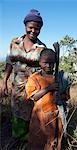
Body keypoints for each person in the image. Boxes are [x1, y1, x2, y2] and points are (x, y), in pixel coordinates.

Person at [2, 9, 46, 147]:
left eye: (37, 29)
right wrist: (4, 82)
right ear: (25, 26)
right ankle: (17, 139)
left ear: (40, 29)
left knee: (32, 116)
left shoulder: (41, 48)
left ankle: (28, 141)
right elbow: (9, 63)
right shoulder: (15, 42)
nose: (33, 31)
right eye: (30, 28)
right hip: (17, 88)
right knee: (16, 113)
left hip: (33, 90)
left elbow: (44, 71)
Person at [25, 48, 71, 149]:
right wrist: (49, 88)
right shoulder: (34, 78)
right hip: (40, 116)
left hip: (57, 115)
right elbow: (34, 97)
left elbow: (66, 96)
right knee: (38, 139)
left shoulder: (60, 78)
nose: (49, 66)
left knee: (54, 139)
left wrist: (60, 95)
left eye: (52, 63)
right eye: (45, 62)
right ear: (39, 62)